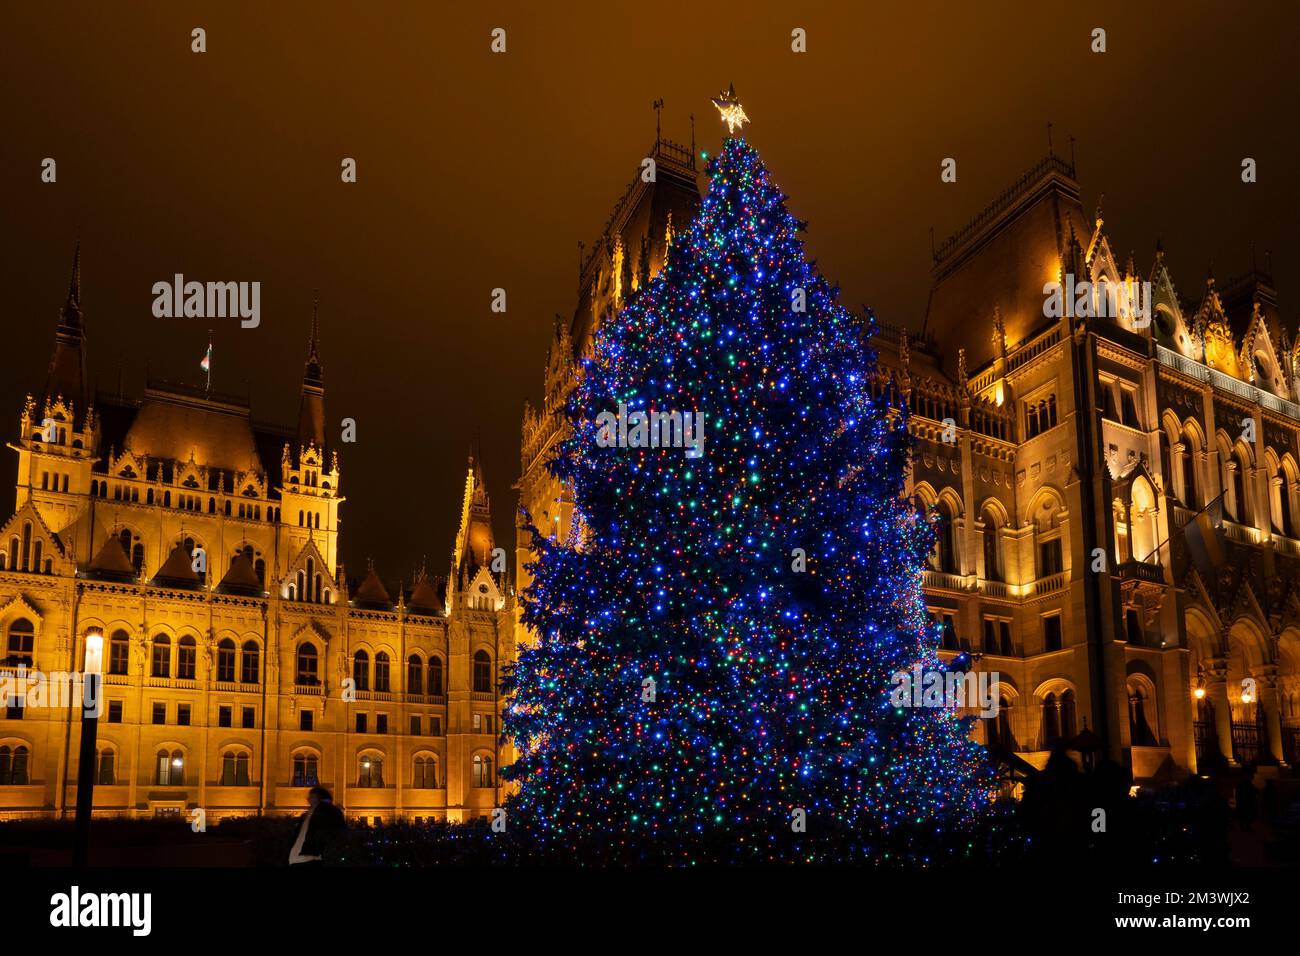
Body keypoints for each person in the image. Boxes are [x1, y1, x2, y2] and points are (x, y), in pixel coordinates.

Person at [288, 785, 347, 866]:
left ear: (319, 798)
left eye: (312, 797)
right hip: (297, 857)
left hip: (310, 857)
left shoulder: (325, 812)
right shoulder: (308, 815)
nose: (308, 799)